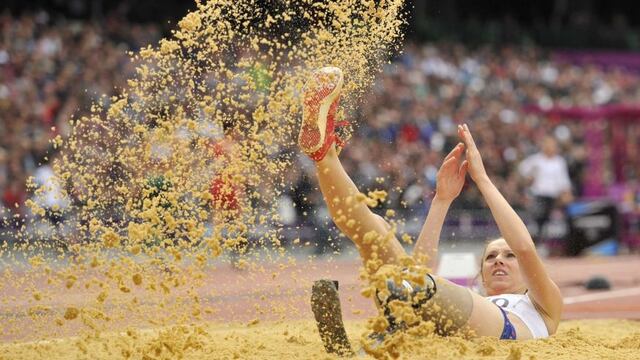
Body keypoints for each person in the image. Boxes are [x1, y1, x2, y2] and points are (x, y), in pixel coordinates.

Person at [302, 67, 562, 355]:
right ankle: (323, 155)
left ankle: (375, 345)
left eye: (507, 256)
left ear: (529, 276)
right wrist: (441, 201)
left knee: (412, 286)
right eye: (491, 257)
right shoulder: (473, 300)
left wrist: (483, 180)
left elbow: (524, 247)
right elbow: (418, 272)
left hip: (504, 331)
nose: (499, 260)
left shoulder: (543, 306)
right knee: (375, 232)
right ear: (481, 277)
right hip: (435, 319)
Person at [518, 136, 573, 245]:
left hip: (554, 196)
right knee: (539, 219)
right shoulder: (536, 160)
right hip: (539, 195)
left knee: (552, 222)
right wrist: (529, 178)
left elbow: (563, 180)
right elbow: (522, 169)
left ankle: (550, 245)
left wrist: (567, 193)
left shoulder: (559, 161)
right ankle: (535, 244)